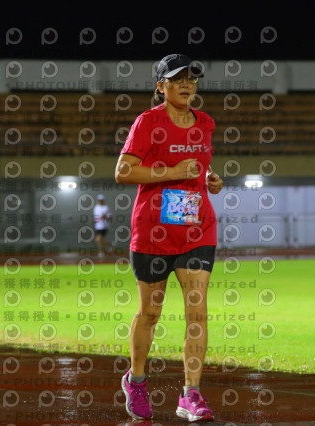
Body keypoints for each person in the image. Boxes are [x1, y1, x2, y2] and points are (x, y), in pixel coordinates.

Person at [115, 53, 223, 422]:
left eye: (192, 78)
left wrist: (210, 179)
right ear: (161, 86)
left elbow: (200, 162)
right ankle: (136, 380)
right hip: (153, 231)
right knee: (150, 312)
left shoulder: (205, 123)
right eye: (177, 79)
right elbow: (123, 171)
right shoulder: (148, 122)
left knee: (197, 312)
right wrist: (173, 171)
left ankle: (191, 394)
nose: (186, 84)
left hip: (197, 228)